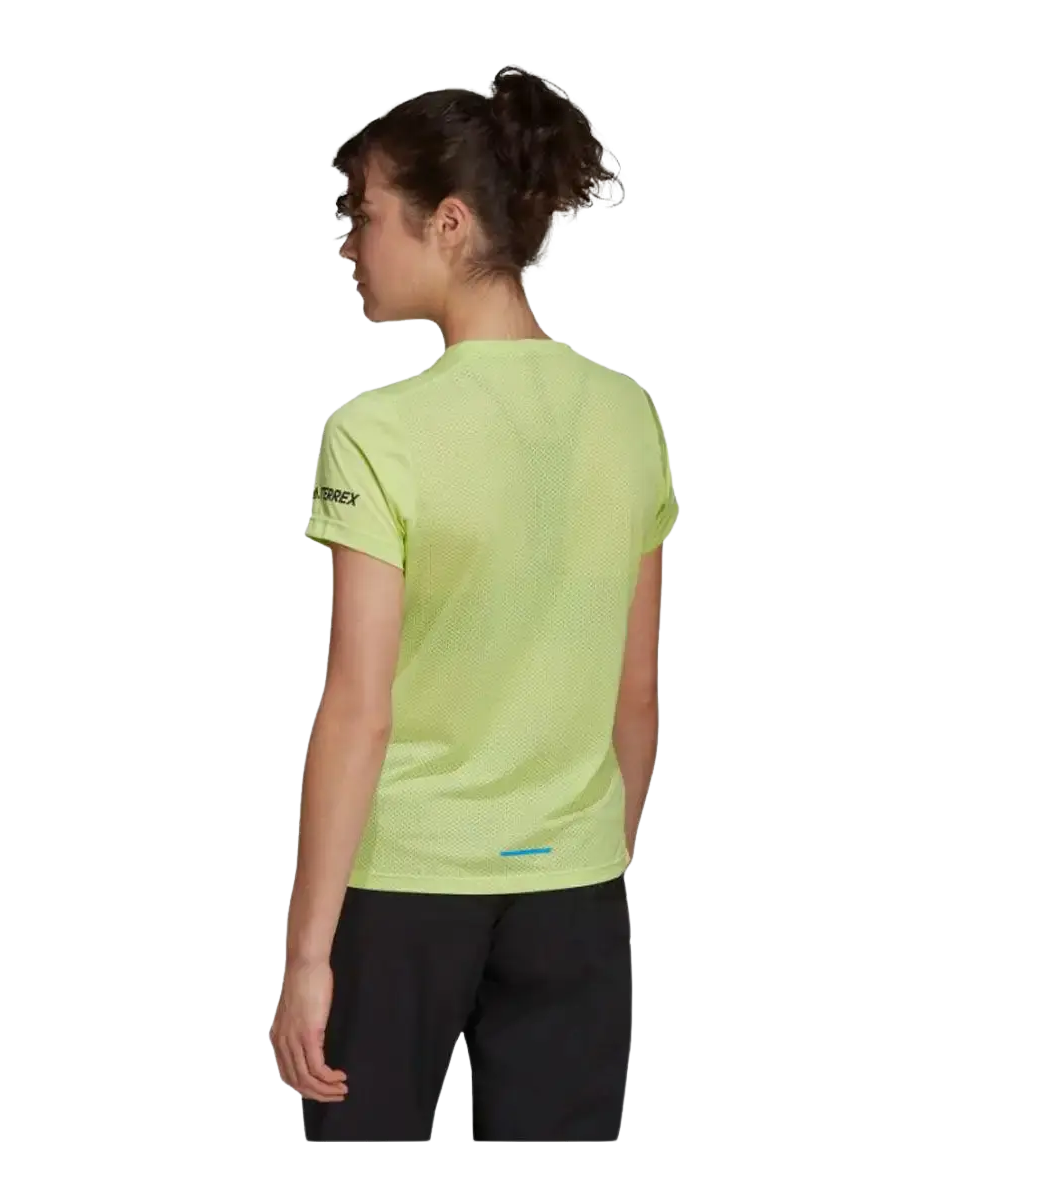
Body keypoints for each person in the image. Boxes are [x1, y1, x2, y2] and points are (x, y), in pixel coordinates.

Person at [271, 66, 677, 1144]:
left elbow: (358, 707)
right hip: (576, 891)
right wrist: (592, 859)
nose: (347, 245)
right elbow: (637, 689)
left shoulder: (377, 435)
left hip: (406, 888)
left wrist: (307, 955)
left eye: (363, 216)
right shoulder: (627, 415)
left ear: (448, 223)